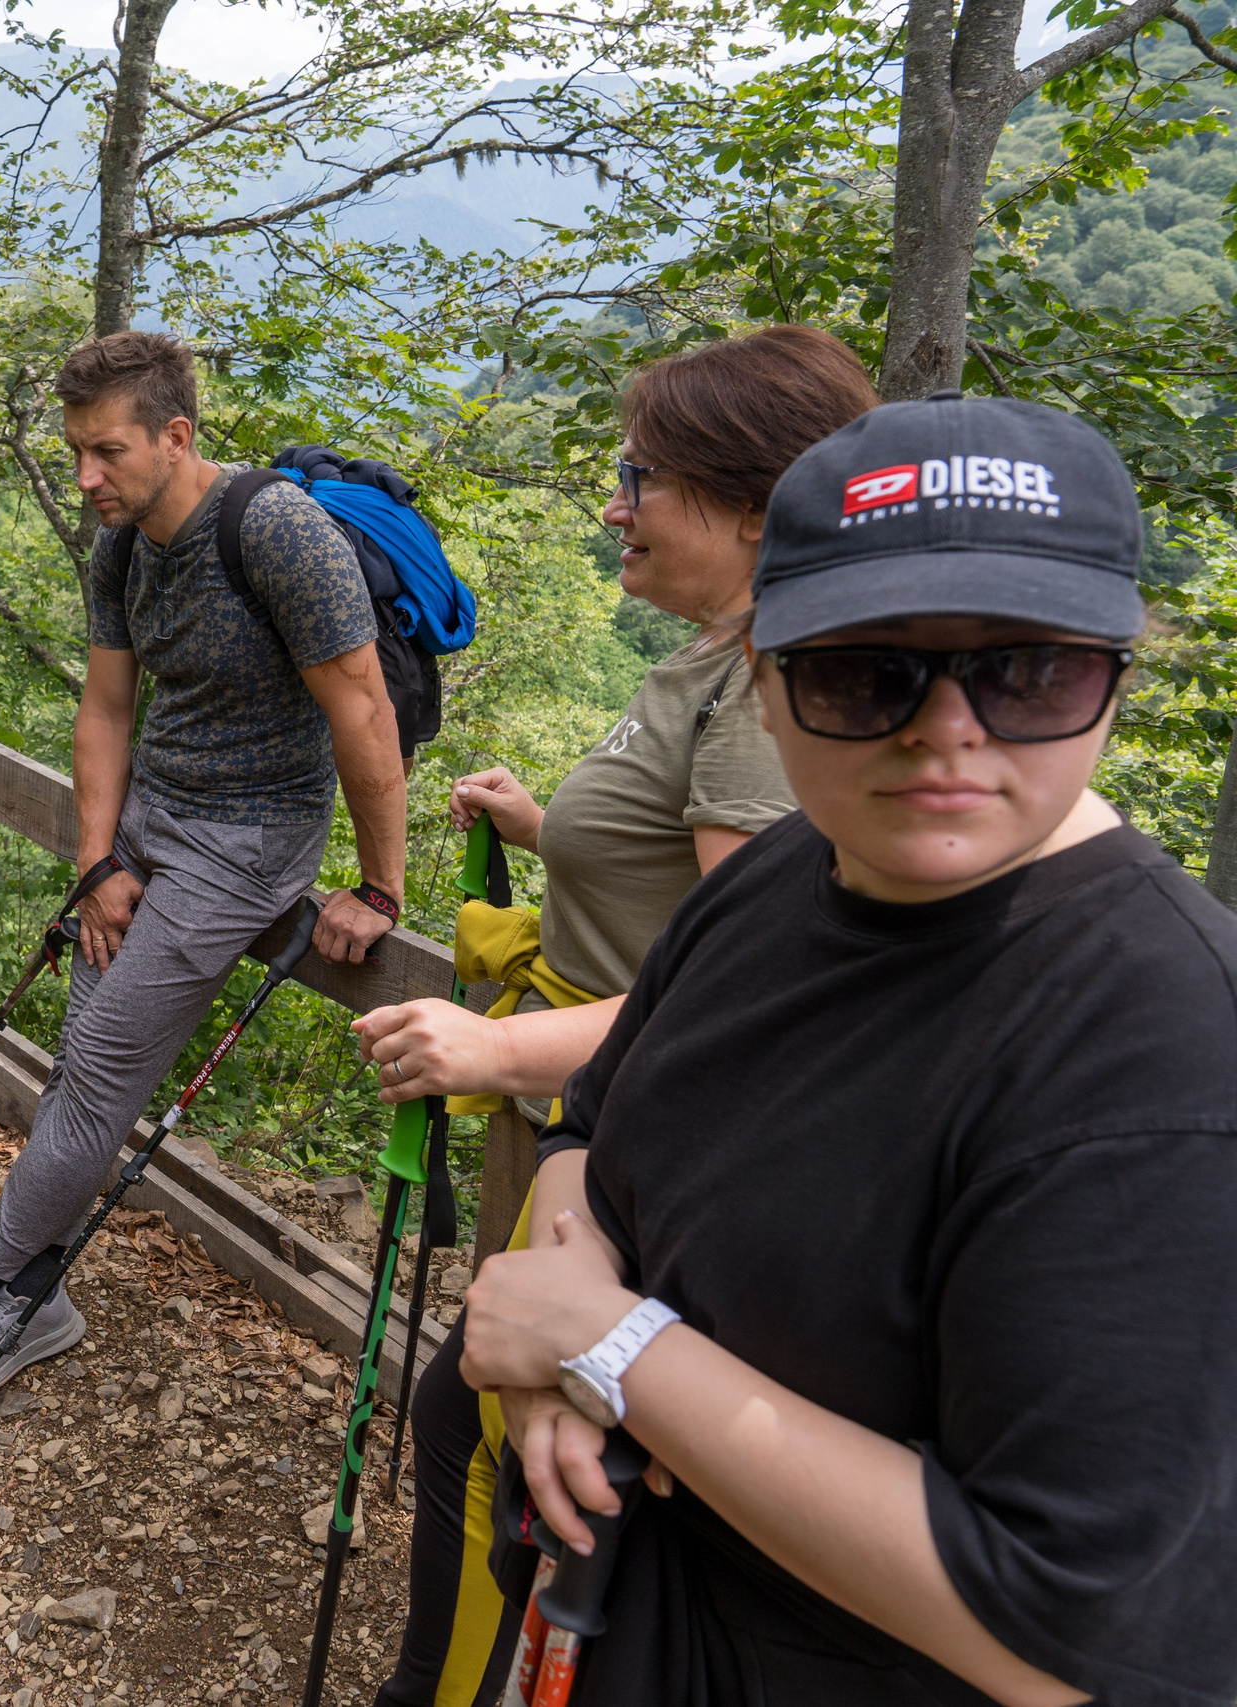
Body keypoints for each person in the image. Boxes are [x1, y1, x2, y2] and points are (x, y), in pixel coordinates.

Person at [456, 394, 1237, 1704]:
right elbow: (594, 1128)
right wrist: (560, 1330)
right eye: (864, 672)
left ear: (1114, 674)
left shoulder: (1160, 1054)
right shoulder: (781, 879)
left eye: (1030, 669)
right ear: (760, 676)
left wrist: (611, 1351)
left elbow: (1064, 1632)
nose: (948, 728)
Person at [352, 325, 878, 1706]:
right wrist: (549, 828)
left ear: (756, 507)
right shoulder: (726, 660)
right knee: (483, 1417)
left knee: (494, 1438)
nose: (614, 507)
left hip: (657, 1147)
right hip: (604, 1132)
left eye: (643, 479)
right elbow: (695, 903)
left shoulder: (771, 698)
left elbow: (743, 985)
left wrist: (495, 1045)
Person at [0, 329, 422, 1400]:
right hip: (152, 819)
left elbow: (363, 710)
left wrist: (380, 883)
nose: (84, 478)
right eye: (74, 451)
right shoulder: (122, 547)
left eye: (105, 451)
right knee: (83, 1075)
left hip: (252, 840)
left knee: (99, 1068)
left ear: (177, 435)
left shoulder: (279, 535)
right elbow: (106, 711)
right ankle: (38, 1296)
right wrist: (99, 857)